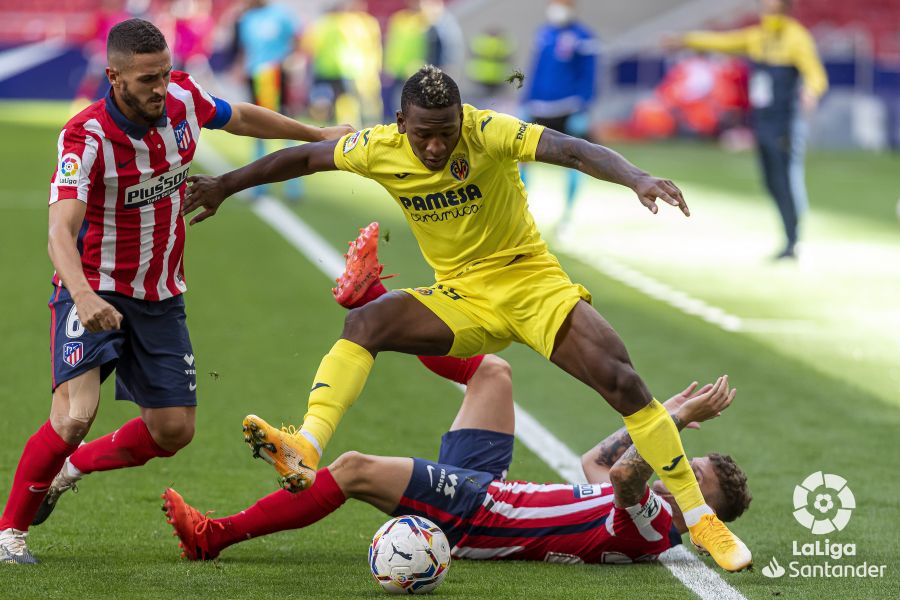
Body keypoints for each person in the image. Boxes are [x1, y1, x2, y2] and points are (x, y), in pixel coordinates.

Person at [183, 64, 751, 572]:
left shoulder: (487, 131)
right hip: (462, 295)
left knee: (623, 381)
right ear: (401, 121)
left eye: (446, 132)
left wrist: (635, 177)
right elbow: (303, 158)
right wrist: (225, 186)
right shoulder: (378, 146)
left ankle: (700, 517)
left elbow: (571, 149)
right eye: (424, 134)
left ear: (462, 119)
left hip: (531, 283)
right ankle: (306, 444)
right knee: (369, 324)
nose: (435, 147)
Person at [0, 18, 352, 565]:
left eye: (164, 74)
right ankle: (8, 535)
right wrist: (85, 296)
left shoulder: (185, 97)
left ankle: (71, 469)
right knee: (73, 415)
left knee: (173, 430)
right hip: (91, 286)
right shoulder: (84, 138)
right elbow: (58, 233)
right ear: (114, 76)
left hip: (161, 294)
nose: (160, 88)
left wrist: (315, 134)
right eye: (147, 80)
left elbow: (241, 118)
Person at [162, 240, 749, 564]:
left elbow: (623, 476)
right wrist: (659, 420)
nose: (683, 479)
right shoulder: (645, 509)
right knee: (492, 372)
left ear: (706, 519)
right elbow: (600, 461)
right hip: (490, 485)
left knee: (353, 469)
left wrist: (670, 420)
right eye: (689, 468)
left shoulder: (656, 530)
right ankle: (378, 307)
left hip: (480, 517)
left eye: (698, 483)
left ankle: (213, 536)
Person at [665, 0, 828, 259]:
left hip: (785, 120)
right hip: (762, 121)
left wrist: (811, 90)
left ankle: (794, 240)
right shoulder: (758, 36)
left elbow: (815, 73)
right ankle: (788, 238)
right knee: (772, 181)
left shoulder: (796, 38)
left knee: (787, 179)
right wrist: (686, 40)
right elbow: (723, 42)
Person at [523, 0, 599, 239]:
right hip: (539, 106)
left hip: (568, 107)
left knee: (577, 162)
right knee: (521, 159)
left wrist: (583, 107)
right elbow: (536, 69)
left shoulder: (584, 37)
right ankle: (520, 213)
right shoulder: (544, 33)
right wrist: (526, 101)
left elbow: (589, 74)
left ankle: (567, 217)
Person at [234, 0, 302, 200]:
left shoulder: (281, 14)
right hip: (254, 77)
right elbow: (245, 49)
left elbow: (297, 40)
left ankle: (293, 183)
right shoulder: (246, 18)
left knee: (286, 126)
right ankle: (259, 183)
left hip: (276, 76)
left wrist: (290, 61)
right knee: (257, 128)